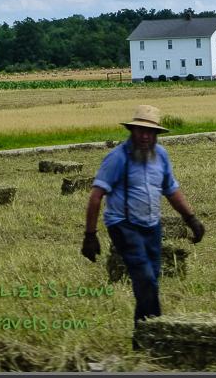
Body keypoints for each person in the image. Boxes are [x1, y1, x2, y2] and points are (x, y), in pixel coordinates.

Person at [81, 104, 204, 346]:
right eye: (140, 131)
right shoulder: (117, 158)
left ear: (157, 134)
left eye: (150, 132)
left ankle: (143, 335)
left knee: (151, 280)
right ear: (132, 131)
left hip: (151, 226)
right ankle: (156, 333)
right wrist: (90, 235)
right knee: (145, 278)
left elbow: (171, 190)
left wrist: (191, 219)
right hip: (123, 225)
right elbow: (96, 196)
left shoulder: (162, 156)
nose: (145, 136)